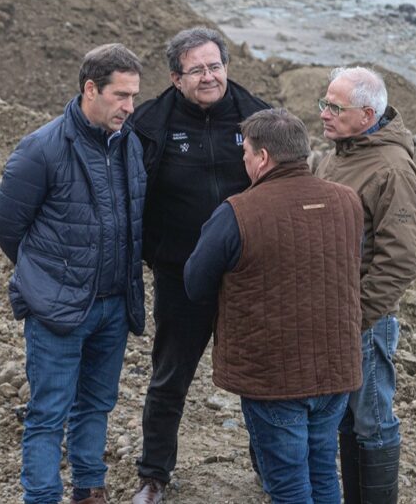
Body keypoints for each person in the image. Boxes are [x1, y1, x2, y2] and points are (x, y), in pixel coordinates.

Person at [0, 43, 147, 504]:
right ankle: (41, 497)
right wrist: (46, 281)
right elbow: (6, 227)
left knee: (96, 406)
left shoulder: (129, 143)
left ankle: (88, 490)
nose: (130, 106)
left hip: (114, 306)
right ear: (90, 89)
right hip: (58, 311)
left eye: (134, 96)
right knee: (47, 414)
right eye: (121, 95)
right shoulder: (41, 148)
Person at [184, 109, 365, 503]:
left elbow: (195, 282)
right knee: (322, 473)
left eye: (246, 153)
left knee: (287, 484)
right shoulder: (348, 202)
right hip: (336, 369)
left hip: (274, 376)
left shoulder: (238, 212)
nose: (243, 161)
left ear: (263, 157)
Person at [124, 27, 272, 504]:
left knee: (262, 377)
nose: (209, 76)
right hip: (180, 274)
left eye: (215, 66)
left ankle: (268, 468)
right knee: (169, 377)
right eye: (197, 69)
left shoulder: (259, 118)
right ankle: (153, 476)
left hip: (248, 274)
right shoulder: (149, 123)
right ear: (176, 77)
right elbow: (129, 198)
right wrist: (154, 253)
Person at [314, 67, 416, 504]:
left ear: (365, 114)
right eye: (324, 103)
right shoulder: (337, 153)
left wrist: (357, 317)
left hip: (365, 320)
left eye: (334, 107)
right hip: (336, 314)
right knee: (345, 418)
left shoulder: (393, 169)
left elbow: (399, 262)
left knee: (372, 419)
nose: (323, 113)